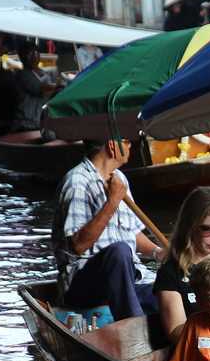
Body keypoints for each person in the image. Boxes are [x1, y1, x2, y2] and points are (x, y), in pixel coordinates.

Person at [51, 137, 162, 321]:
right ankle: (133, 326)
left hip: (130, 279)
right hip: (84, 286)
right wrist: (112, 202)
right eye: (127, 141)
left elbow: (132, 232)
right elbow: (78, 245)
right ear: (112, 145)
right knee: (119, 251)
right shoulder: (77, 182)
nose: (130, 145)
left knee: (170, 292)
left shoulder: (120, 179)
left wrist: (159, 252)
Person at [155, 187, 210, 344]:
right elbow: (175, 333)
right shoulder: (171, 273)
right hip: (200, 352)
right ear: (189, 227)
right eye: (207, 229)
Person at [12, 43, 49, 131]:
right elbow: (41, 90)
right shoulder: (23, 74)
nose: (34, 56)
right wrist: (58, 86)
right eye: (29, 53)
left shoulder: (43, 73)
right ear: (22, 57)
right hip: (27, 123)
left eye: (36, 53)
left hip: (39, 120)